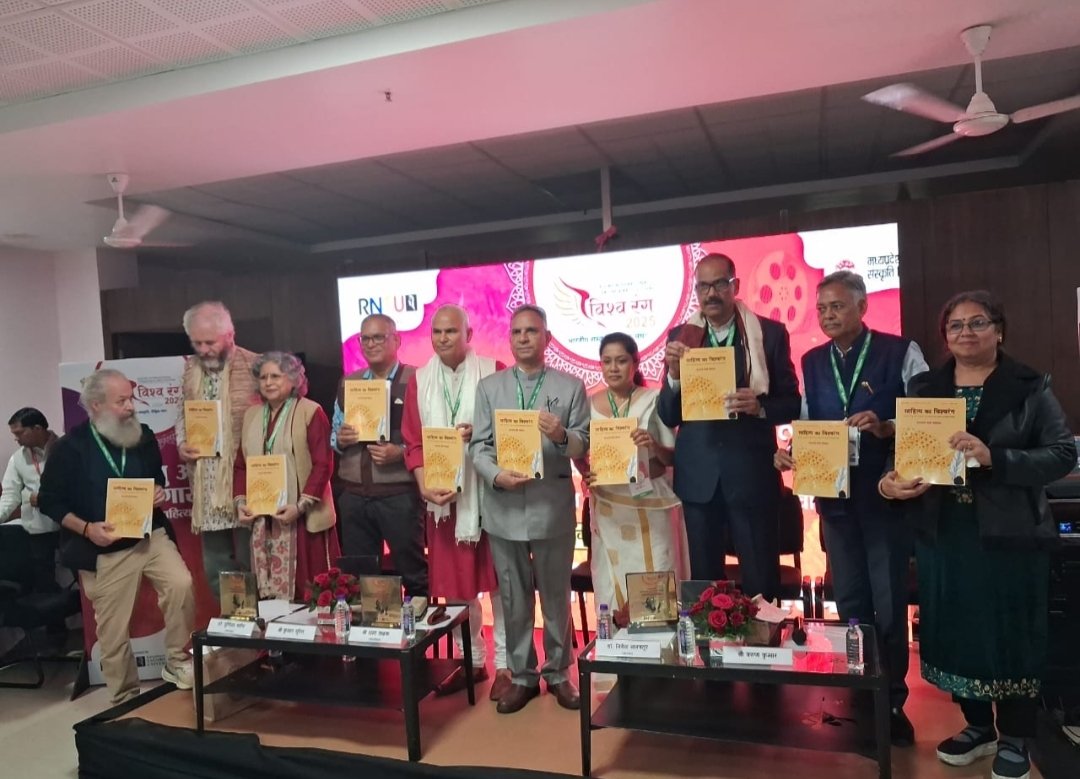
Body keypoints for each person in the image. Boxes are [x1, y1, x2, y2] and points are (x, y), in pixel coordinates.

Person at [880, 291, 1075, 779]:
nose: (966, 332)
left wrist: (996, 458)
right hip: (944, 533)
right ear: (945, 336)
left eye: (978, 323)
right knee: (956, 632)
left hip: (1010, 535)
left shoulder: (1028, 386)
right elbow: (899, 457)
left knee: (1009, 635)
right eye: (956, 325)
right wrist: (890, 484)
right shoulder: (926, 388)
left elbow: (1062, 454)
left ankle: (1015, 736)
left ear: (999, 330)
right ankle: (977, 727)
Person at [775, 271, 928, 746]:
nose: (826, 316)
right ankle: (862, 693)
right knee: (851, 602)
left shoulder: (901, 351)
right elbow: (807, 422)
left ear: (862, 307)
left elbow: (928, 414)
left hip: (885, 497)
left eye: (836, 306)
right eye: (821, 308)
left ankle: (894, 701)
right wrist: (789, 453)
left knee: (888, 603)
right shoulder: (812, 360)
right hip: (834, 499)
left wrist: (886, 425)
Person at [38, 369, 195, 704]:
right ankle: (125, 698)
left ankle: (177, 660)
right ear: (96, 405)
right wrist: (87, 529)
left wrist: (159, 491)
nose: (130, 406)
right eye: (121, 401)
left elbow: (156, 478)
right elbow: (50, 502)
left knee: (181, 585)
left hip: (149, 536)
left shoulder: (143, 435)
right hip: (103, 548)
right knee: (112, 630)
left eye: (131, 398)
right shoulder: (68, 448)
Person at [658, 253, 801, 600]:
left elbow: (792, 402)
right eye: (703, 286)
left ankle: (762, 636)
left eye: (720, 284)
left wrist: (760, 406)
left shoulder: (769, 333)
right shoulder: (682, 335)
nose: (711, 294)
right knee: (704, 584)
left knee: (760, 580)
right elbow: (668, 414)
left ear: (735, 285)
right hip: (698, 476)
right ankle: (710, 638)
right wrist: (674, 377)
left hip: (751, 473)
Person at [470, 304, 590, 714]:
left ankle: (558, 673)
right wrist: (495, 475)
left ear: (547, 338)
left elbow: (584, 442)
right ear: (509, 338)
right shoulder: (490, 388)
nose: (523, 338)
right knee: (513, 597)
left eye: (532, 331)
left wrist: (562, 435)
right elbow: (479, 447)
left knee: (556, 595)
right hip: (503, 507)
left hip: (550, 506)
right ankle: (521, 676)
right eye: (517, 332)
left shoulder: (570, 387)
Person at [401, 305, 510, 700]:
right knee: (456, 588)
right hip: (444, 499)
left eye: (451, 331)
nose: (443, 338)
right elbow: (413, 442)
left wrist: (481, 431)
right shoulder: (420, 380)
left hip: (489, 497)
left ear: (469, 334)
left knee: (501, 584)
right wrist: (423, 486)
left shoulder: (494, 370)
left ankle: (508, 666)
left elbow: (513, 430)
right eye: (437, 332)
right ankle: (471, 661)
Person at [578, 333, 689, 626]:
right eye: (607, 361)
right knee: (611, 584)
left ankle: (660, 652)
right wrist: (585, 471)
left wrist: (653, 445)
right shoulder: (588, 404)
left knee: (657, 581)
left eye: (621, 360)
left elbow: (672, 458)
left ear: (636, 363)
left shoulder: (655, 400)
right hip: (610, 511)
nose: (613, 368)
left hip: (651, 507)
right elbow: (579, 450)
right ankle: (616, 653)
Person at [332, 314, 429, 617]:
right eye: (365, 338)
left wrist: (401, 453)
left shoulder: (417, 380)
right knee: (361, 578)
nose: (371, 344)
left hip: (399, 493)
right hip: (354, 494)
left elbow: (432, 436)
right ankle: (372, 637)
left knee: (412, 573)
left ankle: (417, 638)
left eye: (378, 337)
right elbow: (334, 435)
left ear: (397, 340)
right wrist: (341, 439)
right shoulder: (348, 383)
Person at [234, 352, 341, 601]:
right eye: (263, 377)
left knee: (309, 590)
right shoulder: (251, 415)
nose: (268, 382)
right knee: (267, 597)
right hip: (263, 519)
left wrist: (300, 506)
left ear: (293, 379)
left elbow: (323, 464)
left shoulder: (310, 411)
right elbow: (241, 466)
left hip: (301, 517)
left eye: (275, 376)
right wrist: (241, 503)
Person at [175, 301, 260, 600]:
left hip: (244, 477)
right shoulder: (190, 369)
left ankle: (259, 619)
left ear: (230, 335)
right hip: (206, 478)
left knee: (252, 557)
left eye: (210, 342)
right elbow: (182, 413)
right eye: (196, 343)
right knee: (216, 563)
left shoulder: (255, 365)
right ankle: (232, 615)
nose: (203, 350)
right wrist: (182, 443)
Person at [1, 407, 61, 592]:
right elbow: (9, 495)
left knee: (82, 575)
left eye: (19, 433)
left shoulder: (65, 449)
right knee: (44, 582)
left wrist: (45, 498)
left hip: (69, 524)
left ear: (37, 428)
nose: (16, 438)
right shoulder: (17, 458)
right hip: (37, 528)